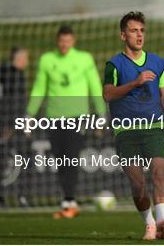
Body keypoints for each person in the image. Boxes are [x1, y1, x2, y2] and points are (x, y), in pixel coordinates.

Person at [102, 11, 164, 241]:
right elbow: (108, 95)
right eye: (134, 31)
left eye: (142, 30)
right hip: (126, 131)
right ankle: (150, 223)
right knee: (138, 183)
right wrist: (136, 82)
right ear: (123, 35)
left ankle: (162, 222)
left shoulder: (158, 62)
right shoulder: (114, 64)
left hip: (154, 126)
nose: (139, 35)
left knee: (159, 173)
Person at [27, 25, 106, 219]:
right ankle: (67, 198)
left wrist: (102, 115)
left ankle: (69, 200)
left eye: (68, 41)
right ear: (57, 41)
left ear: (73, 41)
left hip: (78, 117)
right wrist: (29, 116)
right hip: (53, 118)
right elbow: (39, 89)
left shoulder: (84, 59)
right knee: (60, 160)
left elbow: (95, 86)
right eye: (62, 41)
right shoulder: (47, 59)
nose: (64, 45)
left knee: (71, 157)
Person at [0, 47, 29, 207]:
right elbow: (5, 101)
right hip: (8, 125)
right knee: (8, 161)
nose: (27, 61)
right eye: (25, 58)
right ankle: (10, 197)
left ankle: (16, 197)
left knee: (17, 159)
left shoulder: (6, 72)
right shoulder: (10, 74)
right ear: (18, 58)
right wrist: (8, 125)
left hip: (10, 123)